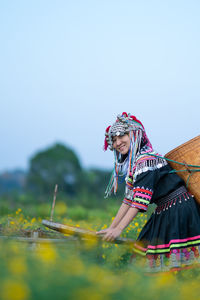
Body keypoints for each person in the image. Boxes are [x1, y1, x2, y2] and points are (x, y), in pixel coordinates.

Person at [96, 112, 200, 272]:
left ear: (134, 134)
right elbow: (128, 200)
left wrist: (119, 230)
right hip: (166, 209)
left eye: (121, 136)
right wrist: (112, 227)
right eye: (114, 140)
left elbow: (139, 201)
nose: (117, 142)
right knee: (146, 254)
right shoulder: (136, 163)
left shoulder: (146, 161)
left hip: (178, 209)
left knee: (169, 264)